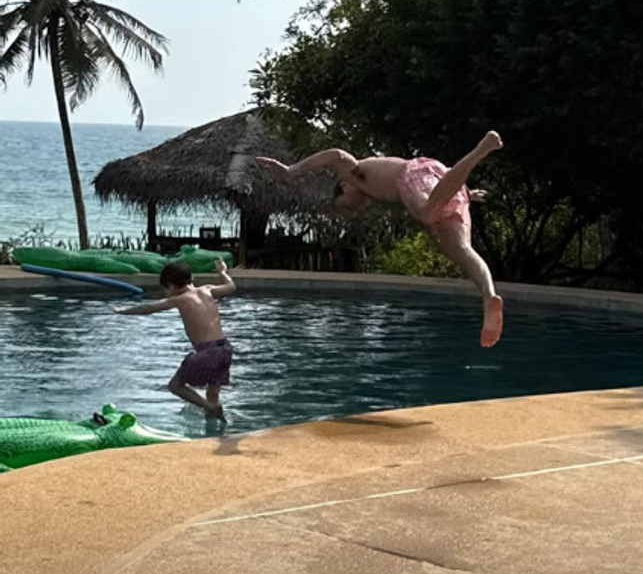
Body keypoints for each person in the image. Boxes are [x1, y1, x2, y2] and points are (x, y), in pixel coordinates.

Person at [257, 131, 504, 347]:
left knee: (427, 213)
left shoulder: (354, 173)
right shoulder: (376, 186)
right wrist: (465, 193)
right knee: (461, 250)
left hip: (417, 174)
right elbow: (431, 183)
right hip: (441, 178)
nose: (350, 210)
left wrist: (292, 170)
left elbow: (335, 154)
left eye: (344, 206)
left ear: (343, 185)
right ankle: (488, 296)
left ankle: (481, 150)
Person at [113, 258, 236, 420]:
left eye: (165, 289)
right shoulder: (207, 290)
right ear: (191, 279)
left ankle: (210, 407)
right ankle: (216, 427)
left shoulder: (180, 299)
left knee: (175, 386)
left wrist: (123, 311)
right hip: (225, 349)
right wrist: (222, 273)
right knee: (212, 393)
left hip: (207, 351)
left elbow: (148, 308)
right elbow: (231, 287)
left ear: (170, 285)